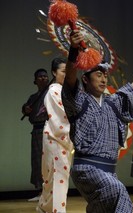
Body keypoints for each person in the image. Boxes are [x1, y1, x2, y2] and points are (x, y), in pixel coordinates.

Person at [61, 29, 133, 212]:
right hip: (87, 168)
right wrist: (73, 50)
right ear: (85, 80)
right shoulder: (78, 101)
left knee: (104, 208)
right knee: (118, 191)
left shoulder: (113, 102)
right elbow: (70, 79)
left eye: (105, 75)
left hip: (108, 170)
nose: (103, 79)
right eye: (98, 75)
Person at [37, 58, 74, 213]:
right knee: (56, 178)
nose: (66, 75)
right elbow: (61, 119)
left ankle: (44, 208)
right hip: (56, 137)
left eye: (68, 71)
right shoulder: (54, 90)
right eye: (63, 71)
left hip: (60, 139)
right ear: (54, 72)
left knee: (56, 178)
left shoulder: (64, 90)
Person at [22, 68, 49, 201]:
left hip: (49, 129)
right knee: (38, 160)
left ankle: (49, 192)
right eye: (40, 76)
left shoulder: (52, 93)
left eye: (45, 76)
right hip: (37, 130)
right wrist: (25, 109)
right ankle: (40, 191)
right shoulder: (33, 98)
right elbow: (26, 110)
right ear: (35, 80)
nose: (43, 78)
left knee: (49, 161)